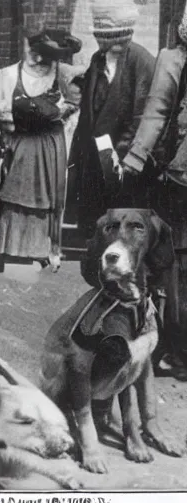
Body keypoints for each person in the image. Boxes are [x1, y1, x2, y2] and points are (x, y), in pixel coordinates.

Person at [121, 5, 187, 380]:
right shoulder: (173, 59)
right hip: (181, 172)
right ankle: (177, 346)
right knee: (178, 263)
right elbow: (158, 110)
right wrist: (135, 157)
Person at [0, 28, 81, 271]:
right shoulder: (8, 74)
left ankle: (45, 251)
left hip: (50, 143)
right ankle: (14, 253)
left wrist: (61, 111)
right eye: (35, 52)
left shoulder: (63, 74)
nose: (39, 59)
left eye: (47, 55)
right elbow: (0, 112)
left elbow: (77, 98)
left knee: (49, 197)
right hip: (21, 142)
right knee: (16, 194)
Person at [68, 0, 155, 239]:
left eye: (111, 40)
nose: (105, 45)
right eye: (102, 39)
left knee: (122, 218)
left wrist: (124, 152)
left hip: (123, 156)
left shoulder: (141, 60)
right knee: (96, 223)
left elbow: (142, 113)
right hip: (94, 155)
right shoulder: (98, 59)